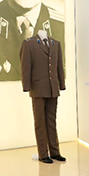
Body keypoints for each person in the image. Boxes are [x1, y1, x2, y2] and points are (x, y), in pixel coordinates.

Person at [20, 29, 65, 164]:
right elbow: (25, 66)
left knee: (51, 121)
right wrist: (26, 85)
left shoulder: (55, 44)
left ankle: (55, 152)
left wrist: (61, 84)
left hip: (53, 88)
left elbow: (59, 66)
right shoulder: (29, 44)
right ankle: (43, 153)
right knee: (40, 122)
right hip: (38, 88)